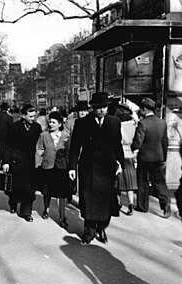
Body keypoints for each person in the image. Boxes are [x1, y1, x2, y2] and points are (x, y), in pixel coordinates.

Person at [69, 92, 125, 244]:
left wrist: (120, 163)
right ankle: (89, 232)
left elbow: (117, 144)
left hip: (107, 167)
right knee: (88, 200)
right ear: (93, 107)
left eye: (104, 107)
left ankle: (101, 227)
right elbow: (74, 147)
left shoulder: (114, 122)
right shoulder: (82, 123)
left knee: (104, 200)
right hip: (88, 167)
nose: (102, 110)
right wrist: (72, 167)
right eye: (99, 107)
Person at [131, 97, 171, 218]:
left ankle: (142, 206)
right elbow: (165, 142)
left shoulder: (143, 123)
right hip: (158, 158)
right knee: (159, 182)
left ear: (144, 110)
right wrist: (163, 157)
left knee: (142, 182)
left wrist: (133, 148)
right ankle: (166, 204)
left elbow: (138, 142)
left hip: (144, 158)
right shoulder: (162, 122)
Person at [2, 104, 42, 222]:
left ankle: (26, 212)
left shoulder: (37, 127)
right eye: (30, 116)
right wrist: (6, 162)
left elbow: (39, 144)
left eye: (34, 116)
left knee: (29, 189)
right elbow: (8, 145)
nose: (32, 118)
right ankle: (13, 202)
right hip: (16, 160)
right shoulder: (14, 127)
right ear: (23, 115)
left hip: (30, 161)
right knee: (15, 186)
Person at [35, 111, 71, 229]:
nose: (51, 124)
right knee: (47, 191)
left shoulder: (66, 137)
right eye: (50, 122)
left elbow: (69, 153)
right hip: (47, 167)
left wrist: (71, 167)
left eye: (53, 122)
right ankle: (46, 210)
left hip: (61, 168)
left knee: (61, 194)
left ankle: (62, 217)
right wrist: (38, 164)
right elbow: (39, 151)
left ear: (60, 124)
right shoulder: (43, 136)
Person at [114, 105, 138, 216]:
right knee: (130, 184)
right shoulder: (134, 125)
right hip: (131, 156)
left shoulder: (118, 126)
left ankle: (118, 204)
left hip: (119, 156)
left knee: (117, 183)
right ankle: (131, 204)